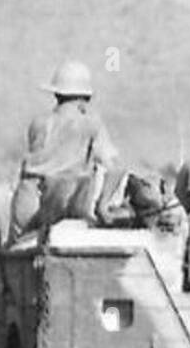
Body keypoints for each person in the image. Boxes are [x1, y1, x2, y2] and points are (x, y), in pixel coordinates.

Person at [7, 60, 119, 240]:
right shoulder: (92, 124)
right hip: (69, 203)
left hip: (30, 196)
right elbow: (114, 168)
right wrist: (103, 205)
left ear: (57, 95)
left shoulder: (39, 123)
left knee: (15, 249)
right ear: (86, 98)